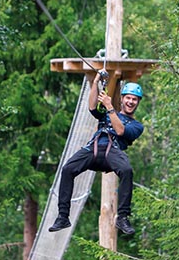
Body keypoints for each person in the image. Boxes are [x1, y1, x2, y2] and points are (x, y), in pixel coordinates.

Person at [48, 70, 144, 235]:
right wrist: (96, 82)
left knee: (127, 171)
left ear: (138, 102)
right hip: (94, 147)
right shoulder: (106, 113)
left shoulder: (136, 126)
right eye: (128, 97)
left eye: (134, 99)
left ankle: (122, 217)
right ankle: (63, 216)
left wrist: (110, 107)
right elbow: (92, 106)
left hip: (112, 151)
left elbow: (120, 131)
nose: (130, 101)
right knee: (67, 169)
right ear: (122, 99)